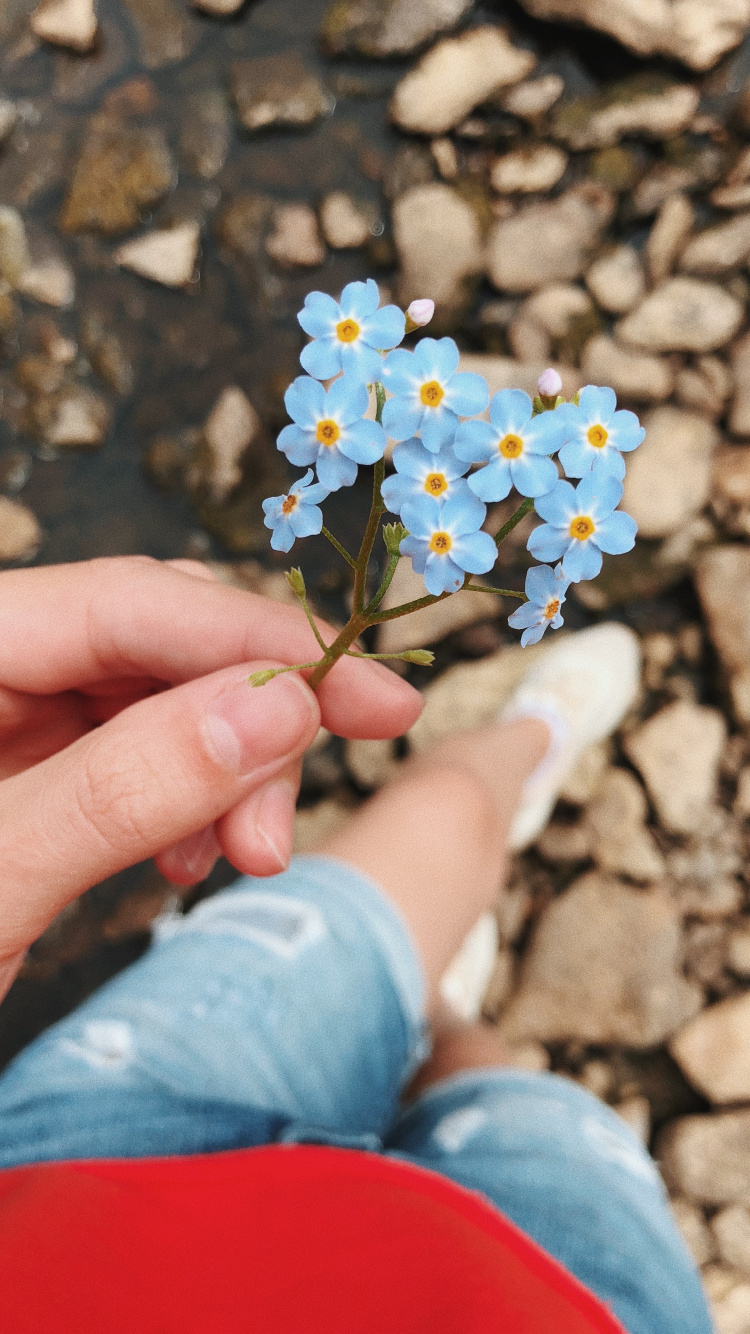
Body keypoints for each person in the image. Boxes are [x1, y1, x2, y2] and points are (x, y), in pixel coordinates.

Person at [0, 556, 712, 1334]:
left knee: (450, 808)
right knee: (483, 1077)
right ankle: (442, 1012)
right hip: (554, 1282)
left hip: (92, 1179)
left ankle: (529, 740)